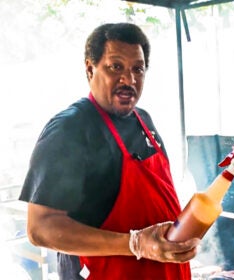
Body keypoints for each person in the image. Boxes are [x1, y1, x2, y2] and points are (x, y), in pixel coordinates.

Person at [19, 22, 200, 280]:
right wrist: (134, 243)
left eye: (138, 69)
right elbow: (40, 228)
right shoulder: (71, 129)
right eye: (116, 67)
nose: (129, 80)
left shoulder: (143, 120)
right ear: (90, 69)